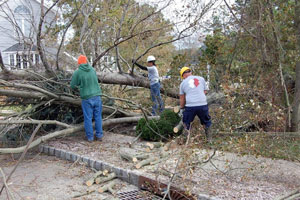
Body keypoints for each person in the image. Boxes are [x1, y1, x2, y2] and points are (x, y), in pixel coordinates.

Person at [70, 55, 103, 142]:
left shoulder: (78, 72)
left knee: (88, 118)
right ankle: (99, 136)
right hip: (97, 96)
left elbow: (72, 86)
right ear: (86, 62)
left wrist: (79, 86)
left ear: (79, 63)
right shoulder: (92, 70)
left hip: (87, 98)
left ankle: (90, 138)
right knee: (98, 117)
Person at [179, 66, 212, 142]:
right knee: (206, 121)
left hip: (190, 106)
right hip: (202, 104)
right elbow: (205, 91)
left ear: (183, 75)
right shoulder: (201, 79)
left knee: (186, 122)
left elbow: (182, 98)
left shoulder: (183, 83)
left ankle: (185, 140)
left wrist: (181, 108)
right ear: (190, 72)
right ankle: (209, 140)